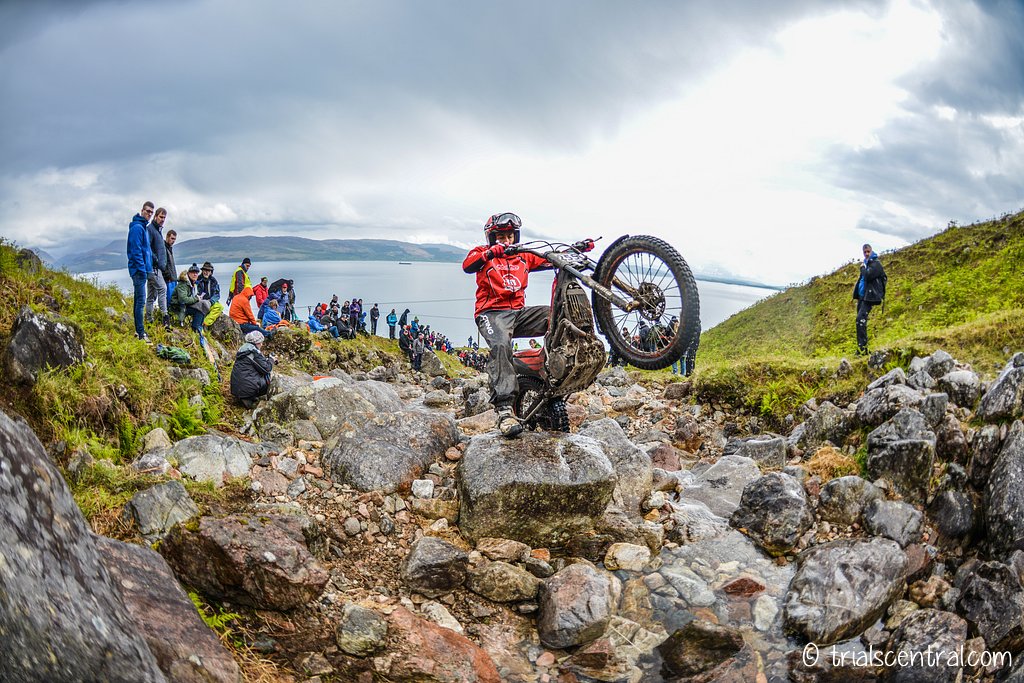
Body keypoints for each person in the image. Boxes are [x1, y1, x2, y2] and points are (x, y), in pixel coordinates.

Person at [463, 212, 569, 438]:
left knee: (556, 315)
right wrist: (491, 252)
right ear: (492, 237)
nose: (506, 240)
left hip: (519, 313)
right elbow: (468, 265)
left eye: (510, 236)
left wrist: (574, 250)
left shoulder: (522, 256)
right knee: (501, 345)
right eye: (501, 236)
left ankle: (553, 368)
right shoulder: (482, 252)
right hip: (491, 314)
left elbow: (549, 258)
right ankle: (504, 410)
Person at [126, 201, 155, 341]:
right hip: (139, 271)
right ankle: (141, 333)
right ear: (142, 210)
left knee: (138, 301)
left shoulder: (142, 227)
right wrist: (142, 270)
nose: (149, 214)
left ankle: (138, 331)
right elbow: (136, 251)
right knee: (141, 302)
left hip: (141, 271)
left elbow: (145, 251)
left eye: (151, 212)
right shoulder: (137, 228)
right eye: (147, 211)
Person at [852, 243, 887, 356]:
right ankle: (862, 349)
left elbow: (867, 276)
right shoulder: (867, 263)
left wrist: (862, 268)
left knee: (860, 319)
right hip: (863, 297)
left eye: (868, 252)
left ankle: (862, 349)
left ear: (871, 251)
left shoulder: (876, 264)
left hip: (870, 297)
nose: (866, 254)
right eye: (865, 252)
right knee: (859, 321)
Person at [230, 330, 276, 408]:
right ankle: (249, 397)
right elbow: (266, 369)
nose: (261, 344)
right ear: (256, 343)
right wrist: (271, 359)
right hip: (247, 389)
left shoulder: (243, 349)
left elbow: (255, 363)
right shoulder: (253, 352)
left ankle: (244, 396)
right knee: (267, 375)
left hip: (236, 388)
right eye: (260, 342)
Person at [144, 207, 170, 330]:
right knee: (162, 288)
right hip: (153, 268)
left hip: (155, 268)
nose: (162, 219)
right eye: (161, 217)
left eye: (164, 217)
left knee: (151, 296)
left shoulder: (158, 231)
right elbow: (148, 248)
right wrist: (157, 261)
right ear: (155, 216)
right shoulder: (150, 229)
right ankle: (165, 318)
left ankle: (149, 320)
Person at [168, 263, 205, 331]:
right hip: (177, 307)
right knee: (199, 311)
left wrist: (197, 297)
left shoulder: (192, 283)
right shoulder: (183, 284)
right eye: (193, 273)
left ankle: (198, 328)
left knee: (202, 308)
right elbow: (183, 299)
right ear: (188, 273)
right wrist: (196, 298)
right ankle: (195, 330)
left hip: (184, 306)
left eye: (196, 273)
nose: (195, 274)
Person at [196, 261, 225, 327]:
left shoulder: (213, 281)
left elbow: (217, 294)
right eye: (205, 270)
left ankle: (205, 323)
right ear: (202, 271)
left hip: (210, 301)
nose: (206, 272)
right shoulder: (198, 279)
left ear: (211, 272)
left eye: (208, 271)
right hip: (200, 301)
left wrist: (211, 301)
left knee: (219, 307)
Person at [163, 230, 178, 302]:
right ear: (167, 237)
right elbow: (163, 263)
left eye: (174, 239)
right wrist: (167, 275)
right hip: (168, 279)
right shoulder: (164, 248)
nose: (173, 241)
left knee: (174, 299)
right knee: (169, 299)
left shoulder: (169, 248)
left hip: (173, 278)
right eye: (172, 238)